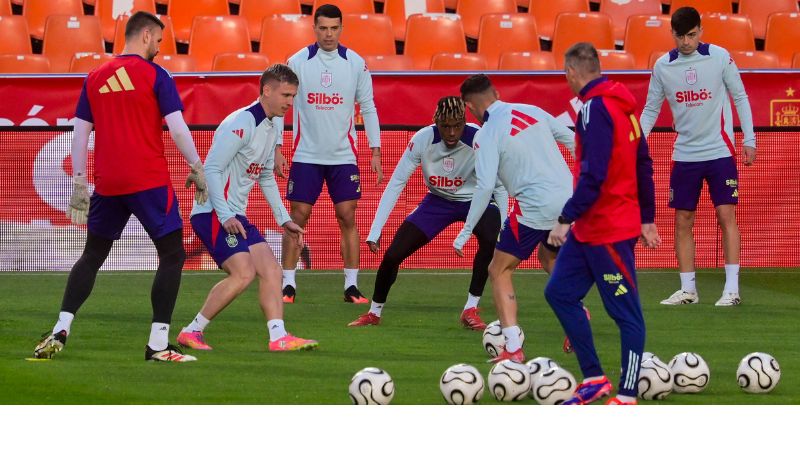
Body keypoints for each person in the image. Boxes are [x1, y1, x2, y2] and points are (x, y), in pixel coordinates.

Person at [33, 11, 207, 362]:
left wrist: (80, 184)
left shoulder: (95, 76)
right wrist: (197, 166)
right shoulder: (157, 74)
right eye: (158, 41)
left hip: (108, 183)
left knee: (93, 255)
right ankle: (158, 344)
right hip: (148, 180)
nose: (159, 48)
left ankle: (61, 327)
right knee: (172, 255)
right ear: (145, 35)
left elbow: (80, 133)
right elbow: (177, 128)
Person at [545, 42, 661, 405]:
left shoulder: (594, 109)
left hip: (608, 228)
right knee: (559, 293)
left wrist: (565, 218)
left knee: (625, 313)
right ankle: (594, 377)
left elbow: (594, 174)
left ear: (572, 72)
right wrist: (647, 217)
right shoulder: (626, 109)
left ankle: (627, 396)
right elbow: (644, 164)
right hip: (593, 228)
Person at [176, 64, 318, 352]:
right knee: (243, 273)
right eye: (286, 95)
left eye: (293, 96)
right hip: (213, 213)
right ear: (266, 90)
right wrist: (226, 215)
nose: (290, 103)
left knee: (272, 271)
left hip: (233, 214)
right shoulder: (240, 123)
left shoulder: (272, 123)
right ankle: (192, 331)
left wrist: (284, 220)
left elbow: (265, 174)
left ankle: (278, 337)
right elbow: (213, 168)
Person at [348, 96, 507, 330]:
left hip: (476, 200)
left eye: (457, 125)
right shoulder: (422, 139)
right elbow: (396, 183)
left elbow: (500, 186)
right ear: (436, 122)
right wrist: (375, 229)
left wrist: (503, 225)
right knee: (393, 255)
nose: (452, 132)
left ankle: (471, 308)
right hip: (437, 202)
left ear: (464, 122)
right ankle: (374, 312)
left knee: (490, 239)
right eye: (445, 126)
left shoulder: (480, 138)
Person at [454, 74, 576, 363]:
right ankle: (575, 311)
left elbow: (485, 187)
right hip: (569, 200)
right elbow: (574, 141)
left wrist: (466, 230)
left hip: (533, 207)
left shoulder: (485, 135)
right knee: (548, 257)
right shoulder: (532, 110)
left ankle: (513, 347)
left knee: (498, 270)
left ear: (470, 106)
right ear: (496, 92)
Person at [640, 6, 756, 307]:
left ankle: (731, 289)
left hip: (720, 150)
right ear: (673, 35)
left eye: (691, 35)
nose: (686, 42)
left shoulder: (719, 57)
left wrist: (750, 138)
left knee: (725, 214)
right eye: (680, 36)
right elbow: (651, 109)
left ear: (700, 31)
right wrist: (635, 142)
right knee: (682, 219)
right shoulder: (663, 66)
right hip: (685, 153)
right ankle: (688, 289)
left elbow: (740, 96)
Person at [274, 4, 383, 304]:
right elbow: (279, 107)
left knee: (347, 216)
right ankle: (288, 284)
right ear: (314, 28)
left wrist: (376, 148)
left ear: (341, 28)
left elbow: (368, 107)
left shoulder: (356, 63)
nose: (328, 34)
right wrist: (277, 147)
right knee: (298, 216)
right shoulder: (297, 61)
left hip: (343, 155)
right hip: (305, 155)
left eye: (334, 28)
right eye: (323, 28)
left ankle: (351, 286)